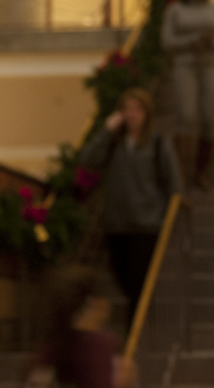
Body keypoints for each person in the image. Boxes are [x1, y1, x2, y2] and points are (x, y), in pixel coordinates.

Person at [77, 87, 183, 312]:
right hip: (116, 225)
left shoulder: (157, 144)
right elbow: (87, 160)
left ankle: (134, 334)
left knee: (138, 283)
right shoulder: (114, 143)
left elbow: (173, 184)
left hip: (146, 227)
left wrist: (168, 219)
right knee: (122, 277)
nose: (132, 114)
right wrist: (105, 131)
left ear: (147, 114)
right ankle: (138, 326)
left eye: (137, 109)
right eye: (127, 109)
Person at [159, 0, 214, 190]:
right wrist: (190, 42)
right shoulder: (175, 10)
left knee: (209, 115)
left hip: (212, 64)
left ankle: (202, 170)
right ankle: (181, 170)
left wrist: (212, 42)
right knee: (186, 115)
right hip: (185, 63)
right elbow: (167, 40)